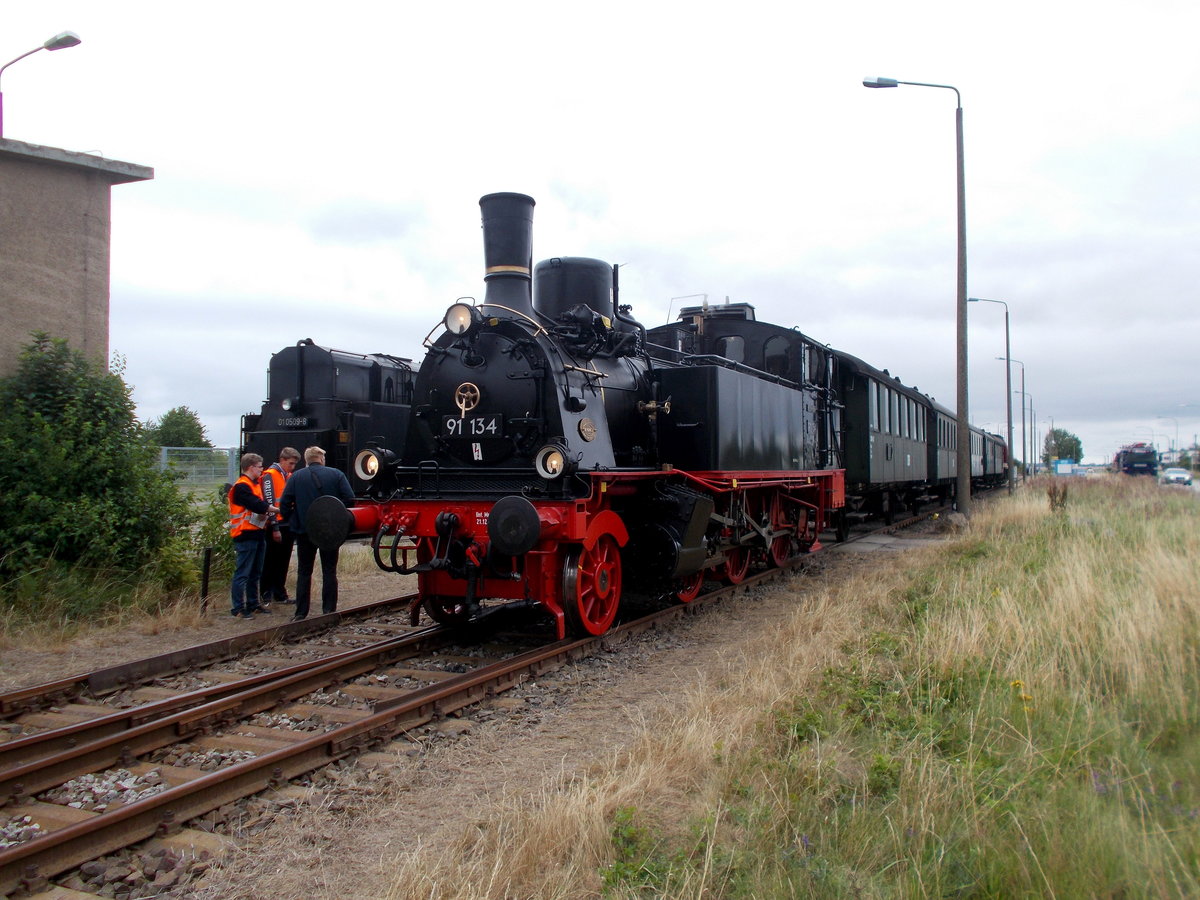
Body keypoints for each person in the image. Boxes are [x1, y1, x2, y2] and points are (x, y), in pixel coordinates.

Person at [278, 446, 355, 621]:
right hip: (330, 530)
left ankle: (300, 613)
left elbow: (284, 504)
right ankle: (328, 609)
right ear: (321, 459)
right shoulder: (336, 474)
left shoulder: (296, 477)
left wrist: (294, 520)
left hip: (305, 530)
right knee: (329, 570)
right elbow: (350, 499)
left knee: (304, 572)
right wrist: (337, 516)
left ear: (307, 460)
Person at [228, 452, 278, 619]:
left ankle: (253, 604)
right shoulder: (242, 486)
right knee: (243, 573)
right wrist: (276, 510)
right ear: (250, 467)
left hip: (257, 533)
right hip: (245, 534)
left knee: (256, 572)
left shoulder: (254, 484)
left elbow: (259, 504)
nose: (261, 470)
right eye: (259, 467)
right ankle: (238, 608)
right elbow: (256, 504)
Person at [259, 446, 301, 608]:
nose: (292, 467)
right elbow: (269, 501)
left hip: (287, 523)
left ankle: (280, 593)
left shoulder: (288, 476)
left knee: (283, 560)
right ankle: (266, 593)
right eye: (290, 463)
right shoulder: (269, 475)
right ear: (282, 460)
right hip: (275, 524)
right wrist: (275, 526)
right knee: (270, 559)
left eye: (294, 464)